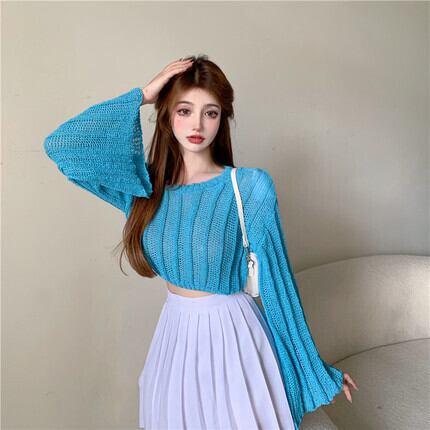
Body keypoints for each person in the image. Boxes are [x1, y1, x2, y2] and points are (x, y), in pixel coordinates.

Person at [43, 54, 358, 430]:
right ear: (166, 116)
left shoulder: (249, 187)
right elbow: (62, 146)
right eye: (184, 110)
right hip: (173, 337)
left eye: (210, 113)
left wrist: (314, 370)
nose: (197, 124)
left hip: (233, 338)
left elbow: (279, 286)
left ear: (222, 119)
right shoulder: (145, 190)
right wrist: (144, 94)